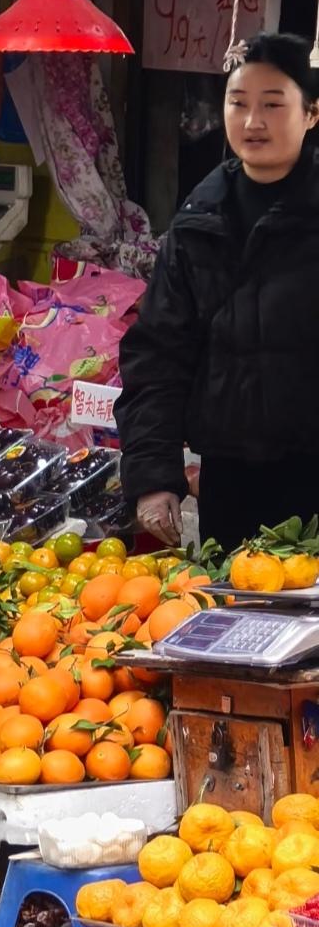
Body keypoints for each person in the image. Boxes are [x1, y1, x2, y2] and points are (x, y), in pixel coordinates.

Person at [117, 32, 319, 552]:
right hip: (230, 486)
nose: (253, 122)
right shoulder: (197, 223)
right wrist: (154, 477)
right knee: (235, 616)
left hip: (313, 474)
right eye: (239, 103)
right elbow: (159, 355)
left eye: (273, 105)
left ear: (312, 114)